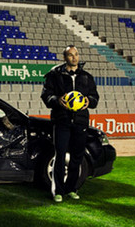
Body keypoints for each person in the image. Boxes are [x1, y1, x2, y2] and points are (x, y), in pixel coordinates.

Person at [41, 44, 99, 203]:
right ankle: (58, 191)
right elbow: (46, 96)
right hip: (62, 121)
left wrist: (88, 101)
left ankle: (72, 188)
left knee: (77, 157)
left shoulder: (87, 77)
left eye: (76, 54)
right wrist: (57, 101)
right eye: (71, 55)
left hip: (80, 122)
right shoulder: (55, 76)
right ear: (65, 57)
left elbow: (95, 99)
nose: (74, 57)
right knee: (60, 156)